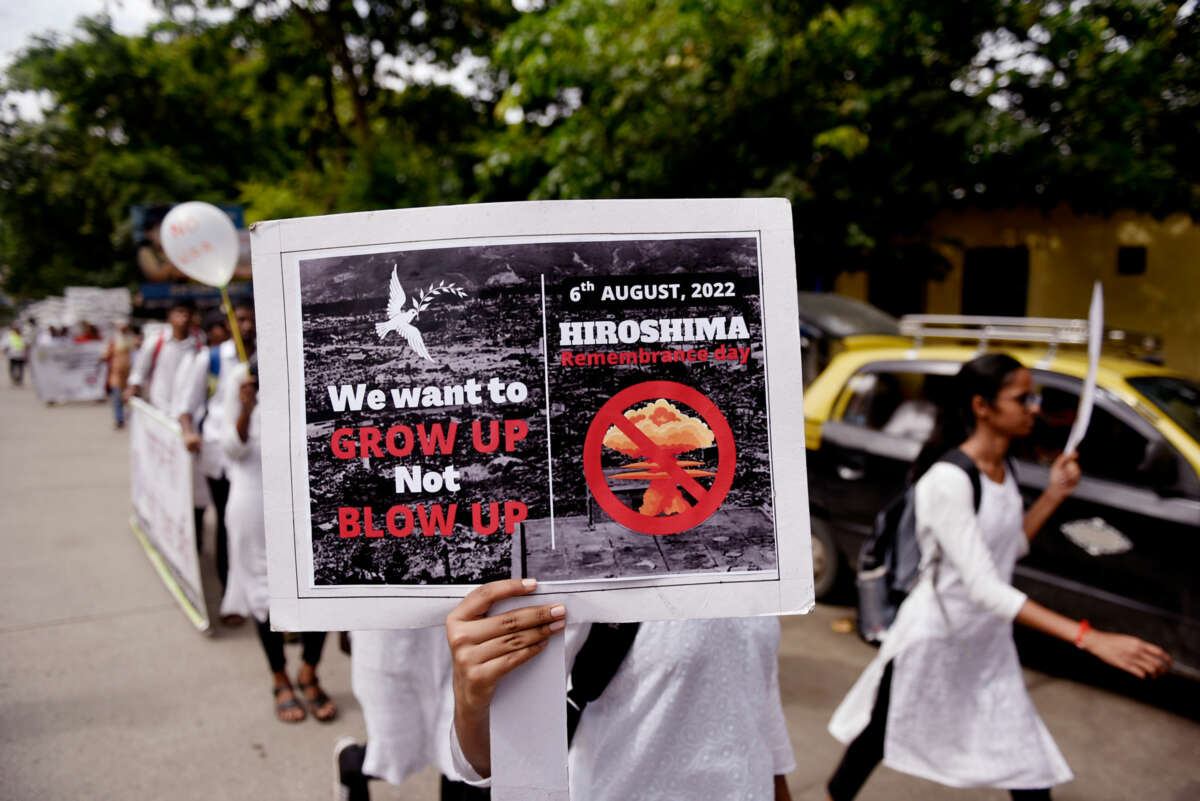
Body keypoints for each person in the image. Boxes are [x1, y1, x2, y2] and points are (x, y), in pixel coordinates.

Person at [824, 353, 1171, 801]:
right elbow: (984, 586)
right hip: (934, 640)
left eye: (1034, 397)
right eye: (1022, 398)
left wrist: (1053, 495)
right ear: (981, 407)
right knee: (880, 732)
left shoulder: (1003, 470)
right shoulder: (947, 481)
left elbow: (1006, 550)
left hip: (987, 644)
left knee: (1027, 763)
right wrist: (1089, 637)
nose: (1034, 408)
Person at [444, 580, 796, 800]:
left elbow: (759, 697)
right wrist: (470, 703)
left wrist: (777, 787)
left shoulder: (753, 560)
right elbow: (492, 761)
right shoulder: (581, 571)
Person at [220, 355, 337, 723]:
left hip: (305, 494)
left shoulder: (306, 367)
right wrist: (246, 408)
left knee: (321, 583)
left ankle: (309, 671)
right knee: (263, 591)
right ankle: (279, 677)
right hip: (254, 500)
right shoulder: (239, 379)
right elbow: (232, 449)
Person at [173, 309, 234, 588]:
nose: (239, 326)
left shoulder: (260, 358)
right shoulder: (208, 360)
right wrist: (188, 434)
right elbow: (185, 406)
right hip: (217, 453)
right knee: (225, 518)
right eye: (235, 321)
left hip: (251, 456)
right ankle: (227, 586)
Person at [126, 300, 202, 412]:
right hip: (159, 405)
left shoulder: (197, 343)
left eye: (188, 314)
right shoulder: (156, 340)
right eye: (179, 313)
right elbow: (140, 369)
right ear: (169, 316)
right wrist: (133, 387)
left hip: (188, 406)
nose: (184, 318)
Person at [102, 320, 136, 428]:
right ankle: (119, 419)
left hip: (130, 376)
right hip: (116, 375)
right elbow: (105, 356)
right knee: (117, 398)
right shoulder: (114, 342)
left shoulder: (133, 341)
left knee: (130, 399)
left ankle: (130, 419)